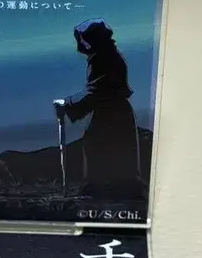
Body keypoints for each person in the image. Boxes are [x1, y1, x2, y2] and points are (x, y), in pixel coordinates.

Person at [53, 19, 143, 199]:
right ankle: (114, 188)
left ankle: (103, 190)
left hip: (110, 113)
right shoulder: (108, 56)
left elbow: (95, 92)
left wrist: (67, 104)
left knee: (99, 145)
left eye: (81, 40)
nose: (79, 46)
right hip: (113, 112)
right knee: (106, 146)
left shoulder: (103, 59)